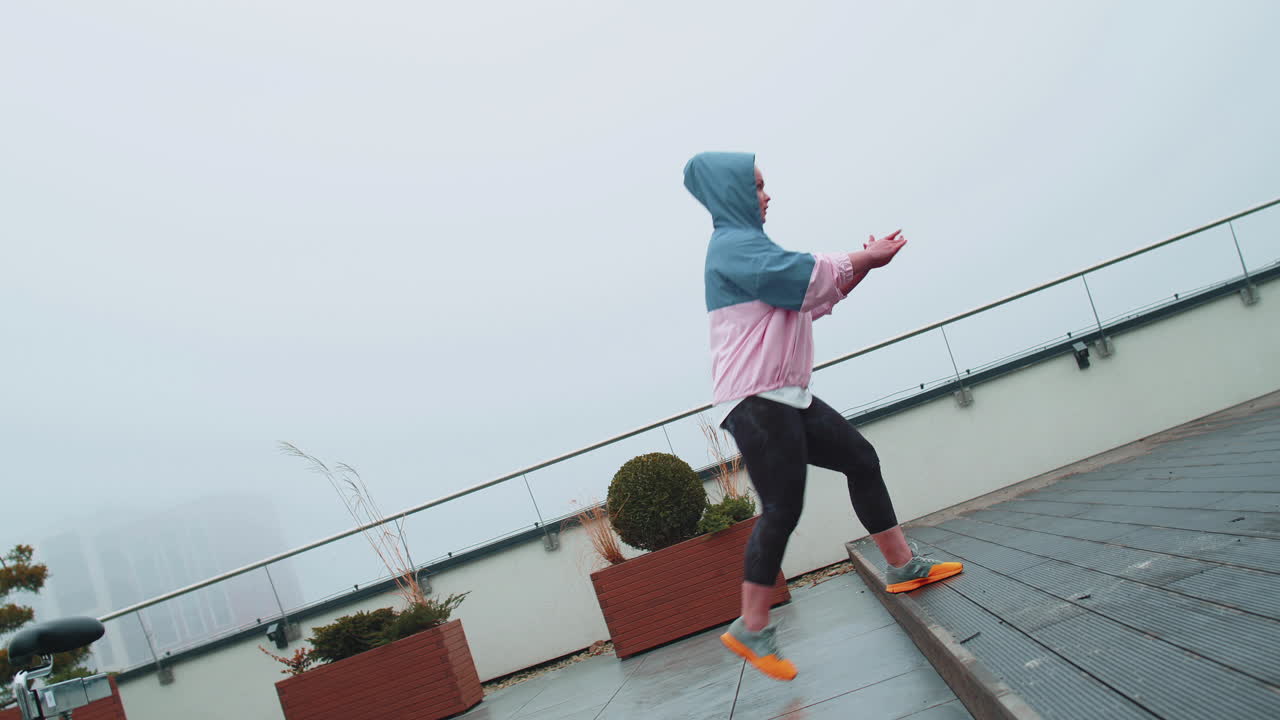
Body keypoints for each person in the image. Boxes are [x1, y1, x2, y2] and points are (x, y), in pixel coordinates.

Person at [682, 151, 963, 682]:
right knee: (782, 509)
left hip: (786, 395)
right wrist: (864, 258)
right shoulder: (734, 249)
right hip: (758, 402)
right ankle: (751, 625)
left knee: (860, 458)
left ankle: (904, 566)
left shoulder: (748, 247)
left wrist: (863, 266)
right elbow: (805, 278)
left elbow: (810, 298)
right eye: (758, 187)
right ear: (731, 194)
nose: (768, 195)